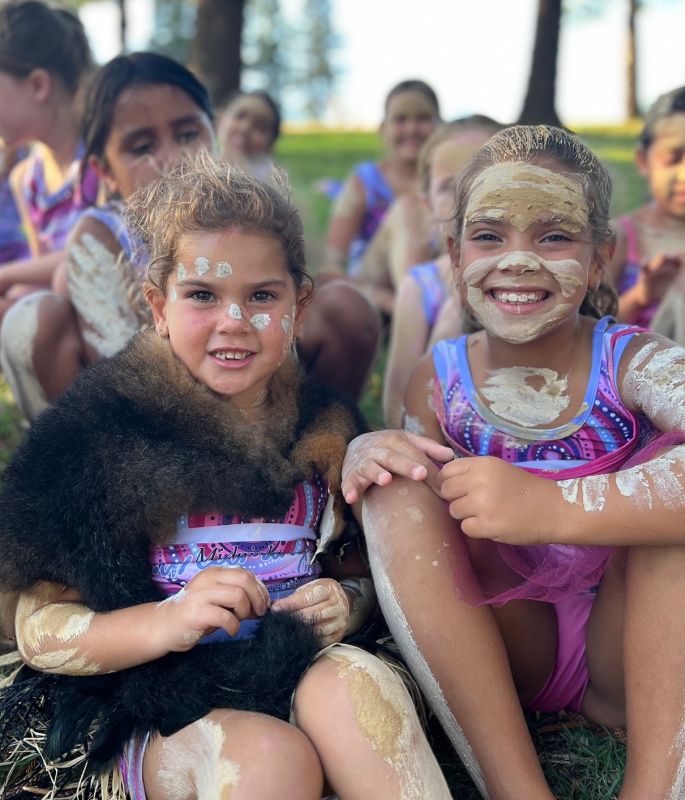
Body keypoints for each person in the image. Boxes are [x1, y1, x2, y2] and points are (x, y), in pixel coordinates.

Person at [0, 153, 451, 800]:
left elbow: (360, 573)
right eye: (202, 295)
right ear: (157, 305)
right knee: (270, 759)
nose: (233, 321)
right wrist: (168, 620)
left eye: (261, 296)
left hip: (297, 668)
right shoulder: (97, 436)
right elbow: (38, 629)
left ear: (298, 305)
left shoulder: (324, 427)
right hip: (161, 705)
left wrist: (344, 606)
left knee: (359, 690)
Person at [341, 125, 685, 800]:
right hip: (510, 654)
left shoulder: (632, 360)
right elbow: (415, 533)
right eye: (489, 236)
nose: (517, 260)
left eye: (553, 236)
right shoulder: (434, 383)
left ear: (597, 259)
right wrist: (364, 449)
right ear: (452, 251)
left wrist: (551, 507)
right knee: (395, 484)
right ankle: (515, 788)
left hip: (631, 652)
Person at [0, 51, 217, 421]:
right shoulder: (102, 234)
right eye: (142, 147)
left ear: (215, 130)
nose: (173, 158)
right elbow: (122, 367)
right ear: (105, 172)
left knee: (340, 303)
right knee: (29, 316)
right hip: (144, 425)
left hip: (252, 407)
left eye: (187, 134)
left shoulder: (253, 217)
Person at [383, 116, 500, 427]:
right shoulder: (422, 288)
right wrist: (449, 327)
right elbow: (395, 411)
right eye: (449, 187)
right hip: (445, 445)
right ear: (428, 204)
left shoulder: (537, 278)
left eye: (483, 178)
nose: (467, 198)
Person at [607, 83, 685, 335]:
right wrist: (640, 297)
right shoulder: (619, 238)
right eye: (673, 159)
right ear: (643, 162)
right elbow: (584, 333)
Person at [0, 0, 97, 317]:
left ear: (39, 85)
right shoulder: (25, 180)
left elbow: (97, 255)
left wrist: (6, 276)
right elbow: (41, 271)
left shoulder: (102, 161)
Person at [322, 79, 440, 277]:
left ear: (440, 127)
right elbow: (332, 264)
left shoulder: (451, 182)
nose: (412, 128)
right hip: (372, 285)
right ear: (383, 128)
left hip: (438, 287)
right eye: (400, 119)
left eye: (423, 118)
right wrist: (381, 298)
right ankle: (412, 303)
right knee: (408, 210)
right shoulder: (364, 181)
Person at [217, 89, 281, 182]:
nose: (245, 128)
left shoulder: (270, 182)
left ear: (270, 145)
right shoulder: (200, 160)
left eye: (260, 126)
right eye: (240, 116)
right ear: (221, 118)